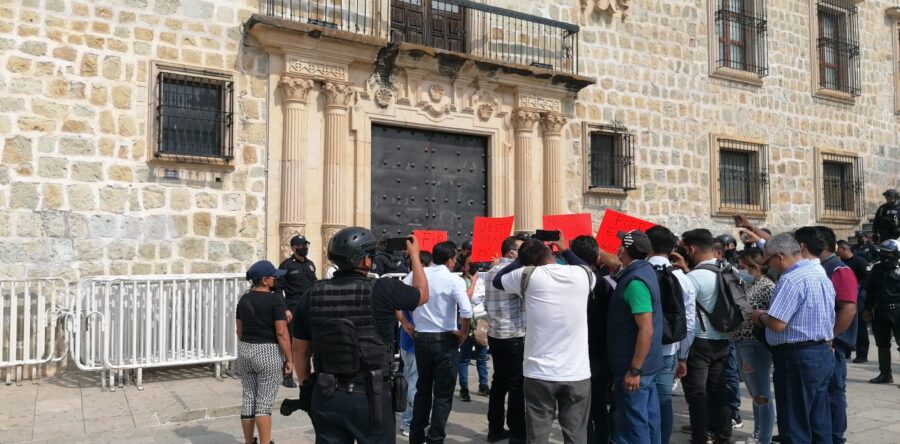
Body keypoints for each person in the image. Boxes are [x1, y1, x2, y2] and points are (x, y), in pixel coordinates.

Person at [291, 227, 429, 443]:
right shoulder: (383, 289)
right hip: (371, 397)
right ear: (365, 261)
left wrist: (307, 386)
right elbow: (421, 294)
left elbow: (300, 350)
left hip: (327, 394)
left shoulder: (311, 294)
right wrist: (414, 256)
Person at [492, 236, 596, 444]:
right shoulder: (582, 274)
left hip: (539, 372)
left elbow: (498, 280)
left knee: (537, 435)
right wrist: (566, 250)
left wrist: (521, 259)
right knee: (576, 434)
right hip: (576, 372)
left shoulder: (528, 275)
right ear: (550, 252)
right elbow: (585, 266)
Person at [749, 234, 835, 444]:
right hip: (821, 352)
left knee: (794, 423)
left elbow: (778, 323)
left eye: (768, 262)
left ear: (779, 257)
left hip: (796, 357)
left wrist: (759, 316)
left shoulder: (791, 279)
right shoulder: (819, 273)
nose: (769, 267)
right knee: (819, 420)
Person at [406, 241, 473, 444]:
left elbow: (399, 300)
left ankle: (415, 436)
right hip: (444, 340)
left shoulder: (416, 274)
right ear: (451, 260)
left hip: (422, 338)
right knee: (443, 394)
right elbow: (467, 311)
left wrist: (407, 323)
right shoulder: (452, 280)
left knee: (423, 389)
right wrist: (463, 331)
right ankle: (435, 438)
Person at [603, 230, 664, 444]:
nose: (617, 248)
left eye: (620, 245)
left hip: (635, 368)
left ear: (624, 250)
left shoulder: (635, 282)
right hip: (646, 364)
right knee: (648, 420)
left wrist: (634, 370)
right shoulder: (644, 271)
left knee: (633, 426)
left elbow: (646, 329)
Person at [680, 229, 732, 444]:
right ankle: (723, 435)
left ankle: (699, 437)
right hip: (723, 338)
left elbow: (687, 316)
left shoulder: (693, 278)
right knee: (719, 389)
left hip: (700, 342)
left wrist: (682, 354)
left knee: (697, 394)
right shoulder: (730, 271)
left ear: (691, 248)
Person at [645, 226, 697, 444]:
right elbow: (689, 322)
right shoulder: (683, 279)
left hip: (642, 348)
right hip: (670, 348)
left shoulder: (637, 272)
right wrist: (683, 356)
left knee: (641, 400)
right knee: (664, 399)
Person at [808, 226, 858, 444]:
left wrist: (831, 336)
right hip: (818, 344)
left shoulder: (838, 270)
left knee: (833, 392)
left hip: (833, 345)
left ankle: (836, 437)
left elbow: (848, 309)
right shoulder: (817, 267)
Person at [236, 261, 293, 444]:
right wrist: (289, 359)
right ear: (264, 279)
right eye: (273, 276)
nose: (276, 278)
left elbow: (239, 330)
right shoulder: (275, 300)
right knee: (264, 403)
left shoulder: (243, 299)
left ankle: (248, 442)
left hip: (245, 350)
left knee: (248, 398)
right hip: (267, 351)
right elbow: (281, 332)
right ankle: (265, 442)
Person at [570, 235, 616, 444]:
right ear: (596, 256)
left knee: (582, 408)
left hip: (581, 354)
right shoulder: (606, 284)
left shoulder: (570, 284)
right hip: (600, 352)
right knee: (598, 405)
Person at [729, 249, 776, 444]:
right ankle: (758, 435)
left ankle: (763, 437)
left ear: (755, 267)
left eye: (742, 267)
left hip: (754, 342)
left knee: (761, 393)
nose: (740, 270)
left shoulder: (767, 286)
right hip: (742, 341)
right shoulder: (751, 283)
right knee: (754, 391)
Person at [484, 236, 526, 444]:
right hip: (513, 335)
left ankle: (495, 429)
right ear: (512, 253)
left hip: (495, 335)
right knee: (516, 384)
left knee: (498, 383)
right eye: (521, 250)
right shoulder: (516, 274)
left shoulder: (490, 271)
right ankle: (517, 431)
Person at [276, 235, 317, 388]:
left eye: (305, 245)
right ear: (293, 248)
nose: (304, 248)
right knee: (292, 344)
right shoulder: (286, 265)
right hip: (293, 307)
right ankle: (287, 376)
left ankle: (307, 373)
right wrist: (284, 308)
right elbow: (278, 288)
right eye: (300, 246)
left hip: (310, 307)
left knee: (311, 343)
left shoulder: (310, 265)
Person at [864, 239, 900, 384]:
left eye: (888, 253)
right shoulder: (876, 269)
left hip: (898, 310)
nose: (885, 255)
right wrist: (867, 308)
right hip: (880, 311)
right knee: (882, 344)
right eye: (883, 252)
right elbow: (870, 290)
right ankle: (885, 374)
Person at [456, 252, 489, 402]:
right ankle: (464, 388)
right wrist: (473, 281)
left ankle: (483, 385)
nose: (474, 266)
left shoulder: (483, 279)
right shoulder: (461, 281)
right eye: (470, 263)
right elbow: (465, 298)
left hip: (481, 322)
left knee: (482, 357)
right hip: (468, 322)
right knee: (464, 357)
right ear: (464, 266)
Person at [837, 239, 871, 363]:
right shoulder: (840, 263)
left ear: (844, 249)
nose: (837, 252)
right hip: (845, 297)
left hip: (858, 297)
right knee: (845, 323)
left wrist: (857, 286)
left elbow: (868, 278)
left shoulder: (860, 262)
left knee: (860, 326)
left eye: (838, 250)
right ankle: (846, 350)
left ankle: (862, 354)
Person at [397, 309, 417, 437]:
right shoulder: (413, 289)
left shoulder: (405, 289)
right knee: (413, 384)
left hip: (408, 341)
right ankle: (408, 422)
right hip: (413, 343)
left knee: (409, 381)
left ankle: (406, 420)